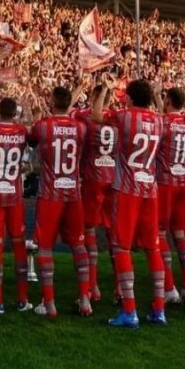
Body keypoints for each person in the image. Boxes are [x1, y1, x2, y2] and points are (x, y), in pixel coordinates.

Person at [94, 77, 167, 328]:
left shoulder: (124, 117)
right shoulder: (159, 120)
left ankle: (129, 311)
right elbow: (160, 112)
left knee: (122, 248)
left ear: (129, 97)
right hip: (151, 189)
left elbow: (96, 116)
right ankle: (159, 309)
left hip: (127, 190)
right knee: (153, 249)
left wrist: (103, 90)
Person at [28, 86, 90, 318]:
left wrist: (37, 116)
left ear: (52, 103)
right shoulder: (81, 128)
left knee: (45, 246)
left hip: (50, 193)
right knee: (79, 245)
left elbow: (32, 139)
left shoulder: (43, 126)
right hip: (73, 192)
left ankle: (49, 303)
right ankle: (84, 299)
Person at [0, 97, 31, 315]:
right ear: (15, 113)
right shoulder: (22, 131)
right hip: (15, 194)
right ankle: (22, 299)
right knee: (19, 245)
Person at [72, 85, 118, 303]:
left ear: (94, 97)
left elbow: (66, 110)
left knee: (89, 231)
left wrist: (78, 89)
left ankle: (93, 286)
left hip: (92, 178)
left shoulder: (85, 116)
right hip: (113, 179)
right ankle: (120, 287)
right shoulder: (119, 117)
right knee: (113, 235)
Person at [155, 87, 185, 304]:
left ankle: (170, 287)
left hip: (166, 183)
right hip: (184, 182)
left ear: (168, 100)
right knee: (180, 235)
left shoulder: (163, 122)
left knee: (161, 233)